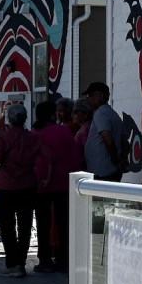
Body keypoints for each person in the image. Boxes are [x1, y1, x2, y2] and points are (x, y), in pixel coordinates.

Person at [0, 103, 42, 278]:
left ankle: (12, 264)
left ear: (9, 119)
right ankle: (22, 263)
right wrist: (45, 177)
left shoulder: (3, 136)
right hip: (27, 185)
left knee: (7, 225)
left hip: (5, 186)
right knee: (25, 225)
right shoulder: (32, 138)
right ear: (25, 118)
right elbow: (49, 156)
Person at [31, 101, 81, 273]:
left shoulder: (35, 132)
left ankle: (44, 259)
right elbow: (75, 157)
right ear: (52, 114)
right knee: (63, 222)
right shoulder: (64, 131)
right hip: (63, 182)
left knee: (42, 222)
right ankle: (64, 259)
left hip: (41, 182)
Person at [82, 82, 124, 181]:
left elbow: (108, 139)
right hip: (109, 170)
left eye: (90, 95)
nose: (88, 99)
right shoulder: (113, 114)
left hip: (102, 172)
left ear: (100, 96)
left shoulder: (100, 114)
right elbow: (125, 142)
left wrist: (116, 161)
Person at [72, 98, 93, 168]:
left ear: (85, 113)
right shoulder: (85, 127)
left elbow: (88, 152)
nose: (72, 115)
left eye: (75, 112)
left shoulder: (86, 129)